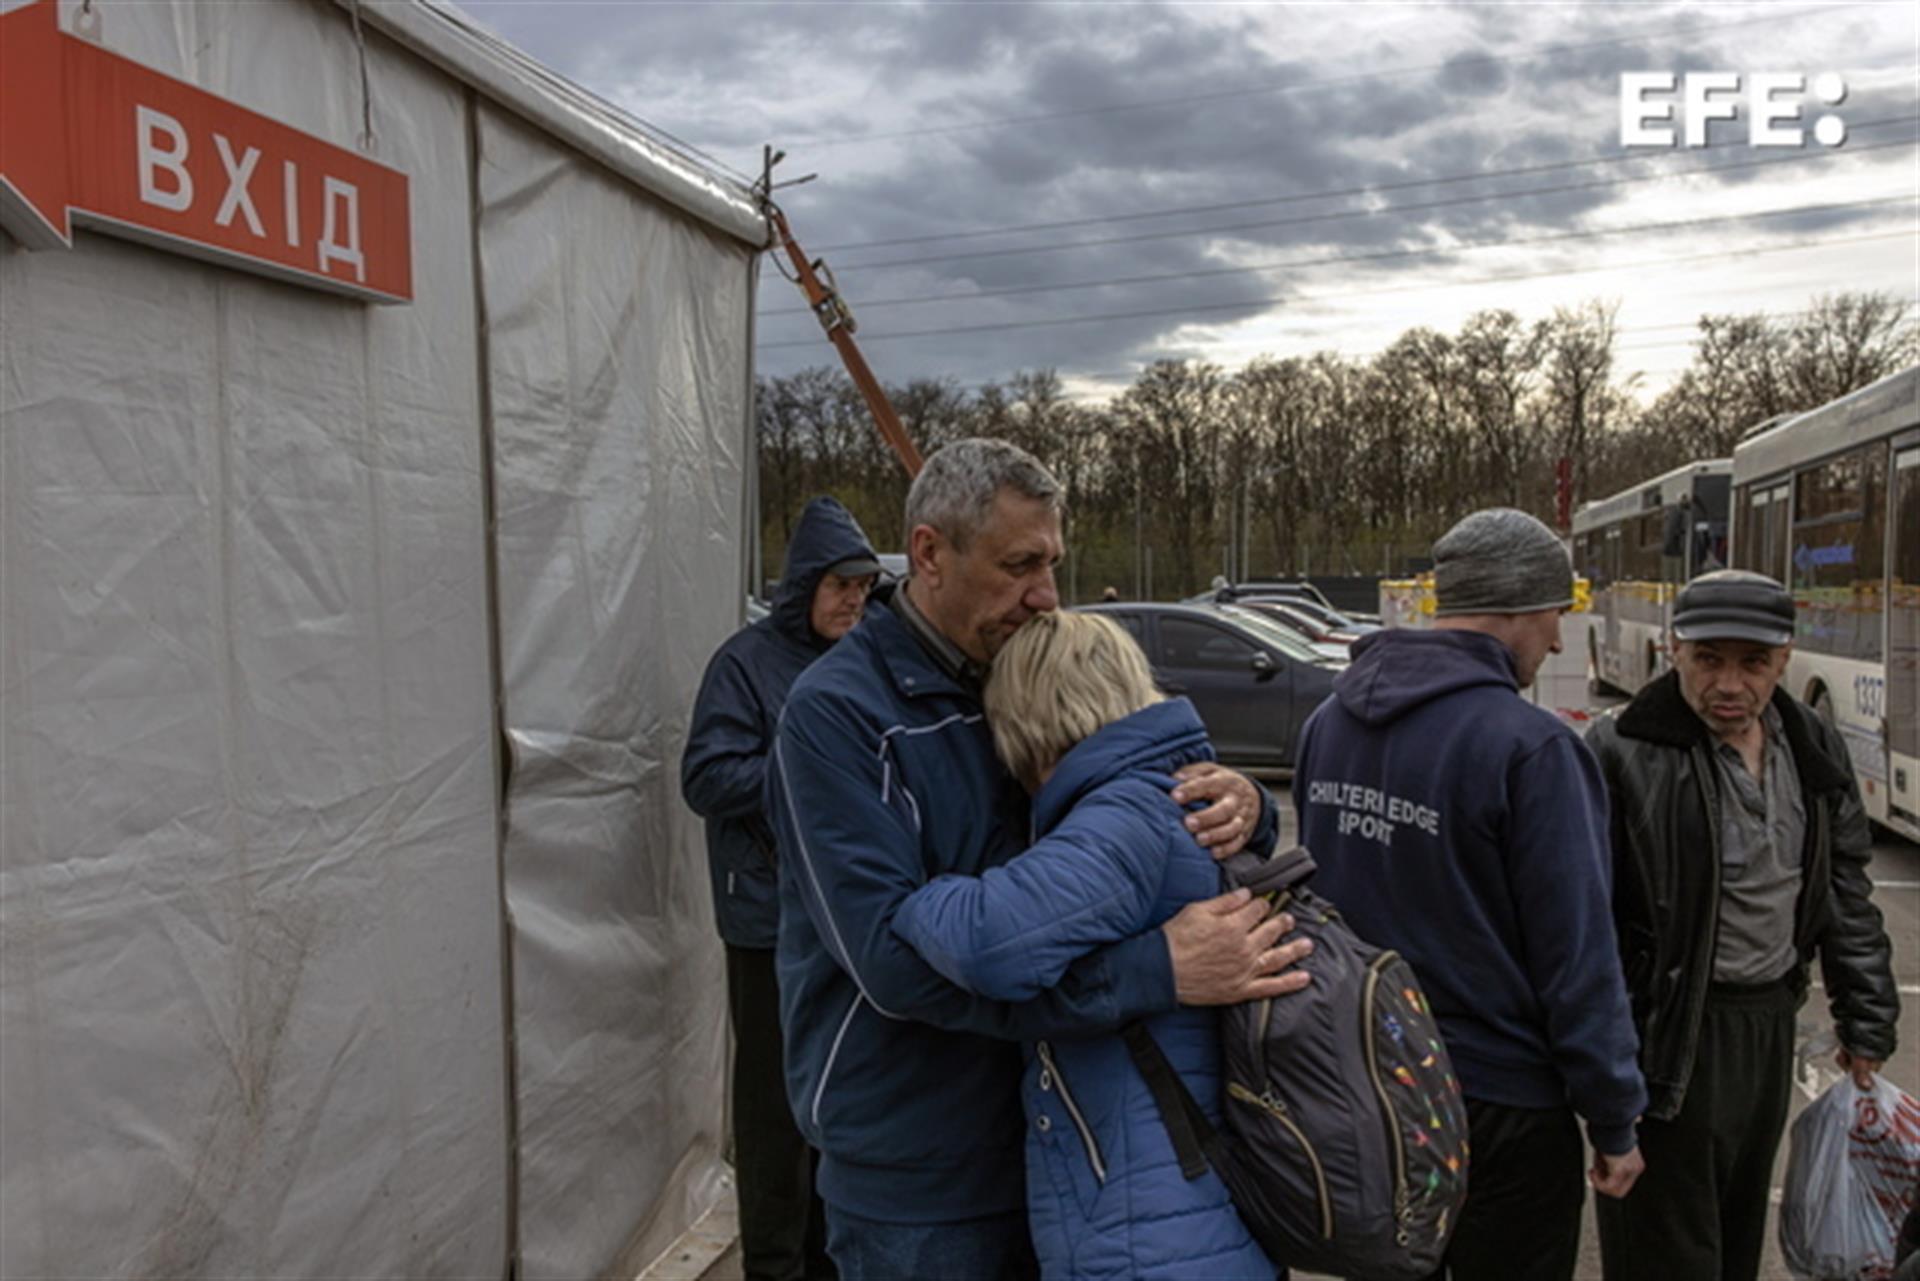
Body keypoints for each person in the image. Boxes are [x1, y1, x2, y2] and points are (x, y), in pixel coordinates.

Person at [767, 438, 1309, 1280]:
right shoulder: (836, 715)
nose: (1046, 594)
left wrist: (1239, 808)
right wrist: (1153, 971)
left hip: (1072, 1139)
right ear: (929, 553)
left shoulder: (1029, 663)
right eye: (1019, 564)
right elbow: (894, 967)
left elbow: (1138, 805)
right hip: (923, 1167)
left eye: (1053, 562)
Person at [1291, 507, 1647, 1281]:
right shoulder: (1532, 748)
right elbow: (1577, 955)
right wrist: (1613, 1116)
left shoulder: (1329, 723)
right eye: (1557, 614)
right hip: (1501, 1104)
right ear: (1519, 605)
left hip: (1372, 1089)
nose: (1557, 640)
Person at [888, 610, 1280, 1280]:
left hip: (1152, 1234)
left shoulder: (1121, 815)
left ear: (1031, 718)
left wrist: (908, 895)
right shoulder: (1166, 788)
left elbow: (992, 943)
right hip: (1183, 1211)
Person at [1585, 569, 1898, 1281]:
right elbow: (1586, 925)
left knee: (1734, 1235)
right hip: (1666, 1034)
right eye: (1709, 659)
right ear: (1676, 650)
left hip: (1766, 1025)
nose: (1730, 682)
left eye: (1752, 662)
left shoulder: (1811, 742)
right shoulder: (1621, 747)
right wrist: (1602, 1075)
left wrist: (1867, 1018)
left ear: (1784, 659)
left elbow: (1845, 888)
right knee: (1666, 1248)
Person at [680, 495, 880, 1281]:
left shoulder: (859, 658)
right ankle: (769, 1264)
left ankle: (824, 1259)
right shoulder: (744, 662)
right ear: (804, 586)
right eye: (840, 587)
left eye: (865, 587)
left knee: (833, 1096)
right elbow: (704, 775)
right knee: (772, 1109)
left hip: (841, 917)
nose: (855, 602)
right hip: (766, 920)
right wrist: (806, 773)